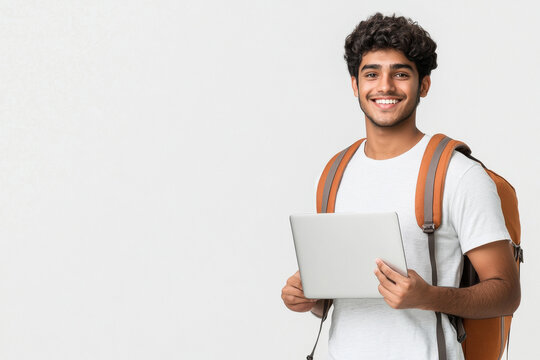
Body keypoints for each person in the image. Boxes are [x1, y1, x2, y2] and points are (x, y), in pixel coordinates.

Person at [281, 13, 521, 360]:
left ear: (423, 85)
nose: (385, 86)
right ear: (355, 84)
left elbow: (506, 293)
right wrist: (311, 298)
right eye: (372, 73)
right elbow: (344, 301)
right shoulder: (335, 172)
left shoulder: (458, 174)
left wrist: (428, 297)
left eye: (401, 73)